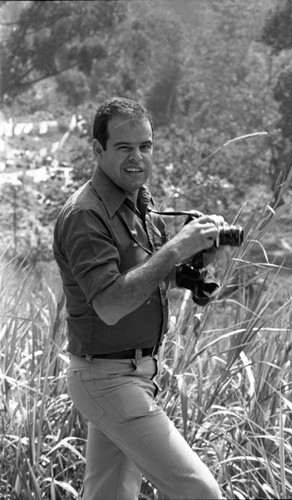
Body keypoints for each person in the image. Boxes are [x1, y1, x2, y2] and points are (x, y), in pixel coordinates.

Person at [53, 97, 224, 500]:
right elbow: (110, 304)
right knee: (200, 493)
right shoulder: (85, 215)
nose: (137, 158)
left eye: (145, 146)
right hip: (108, 380)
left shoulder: (139, 204)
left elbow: (149, 278)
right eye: (124, 147)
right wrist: (175, 248)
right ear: (97, 150)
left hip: (133, 376)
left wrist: (195, 265)